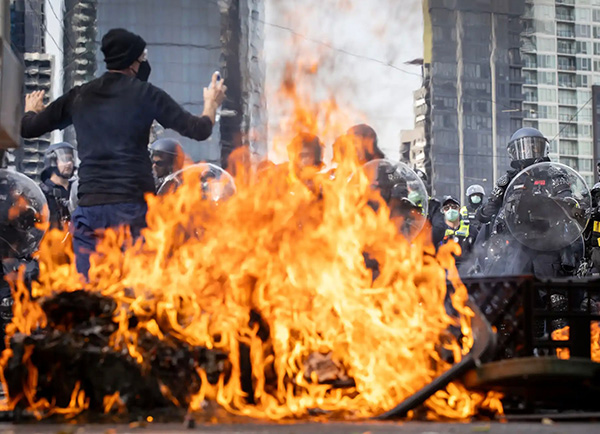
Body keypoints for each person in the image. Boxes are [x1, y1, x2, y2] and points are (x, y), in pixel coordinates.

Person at [20, 28, 226, 277]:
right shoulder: (146, 94)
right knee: (135, 287)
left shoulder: (80, 96)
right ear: (133, 62)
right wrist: (211, 104)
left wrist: (31, 110)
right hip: (133, 209)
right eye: (142, 58)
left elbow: (28, 128)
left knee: (89, 289)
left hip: (91, 210)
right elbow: (199, 129)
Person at [39, 142, 76, 229]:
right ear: (52, 162)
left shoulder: (77, 189)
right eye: (65, 159)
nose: (69, 163)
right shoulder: (42, 193)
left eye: (71, 159)